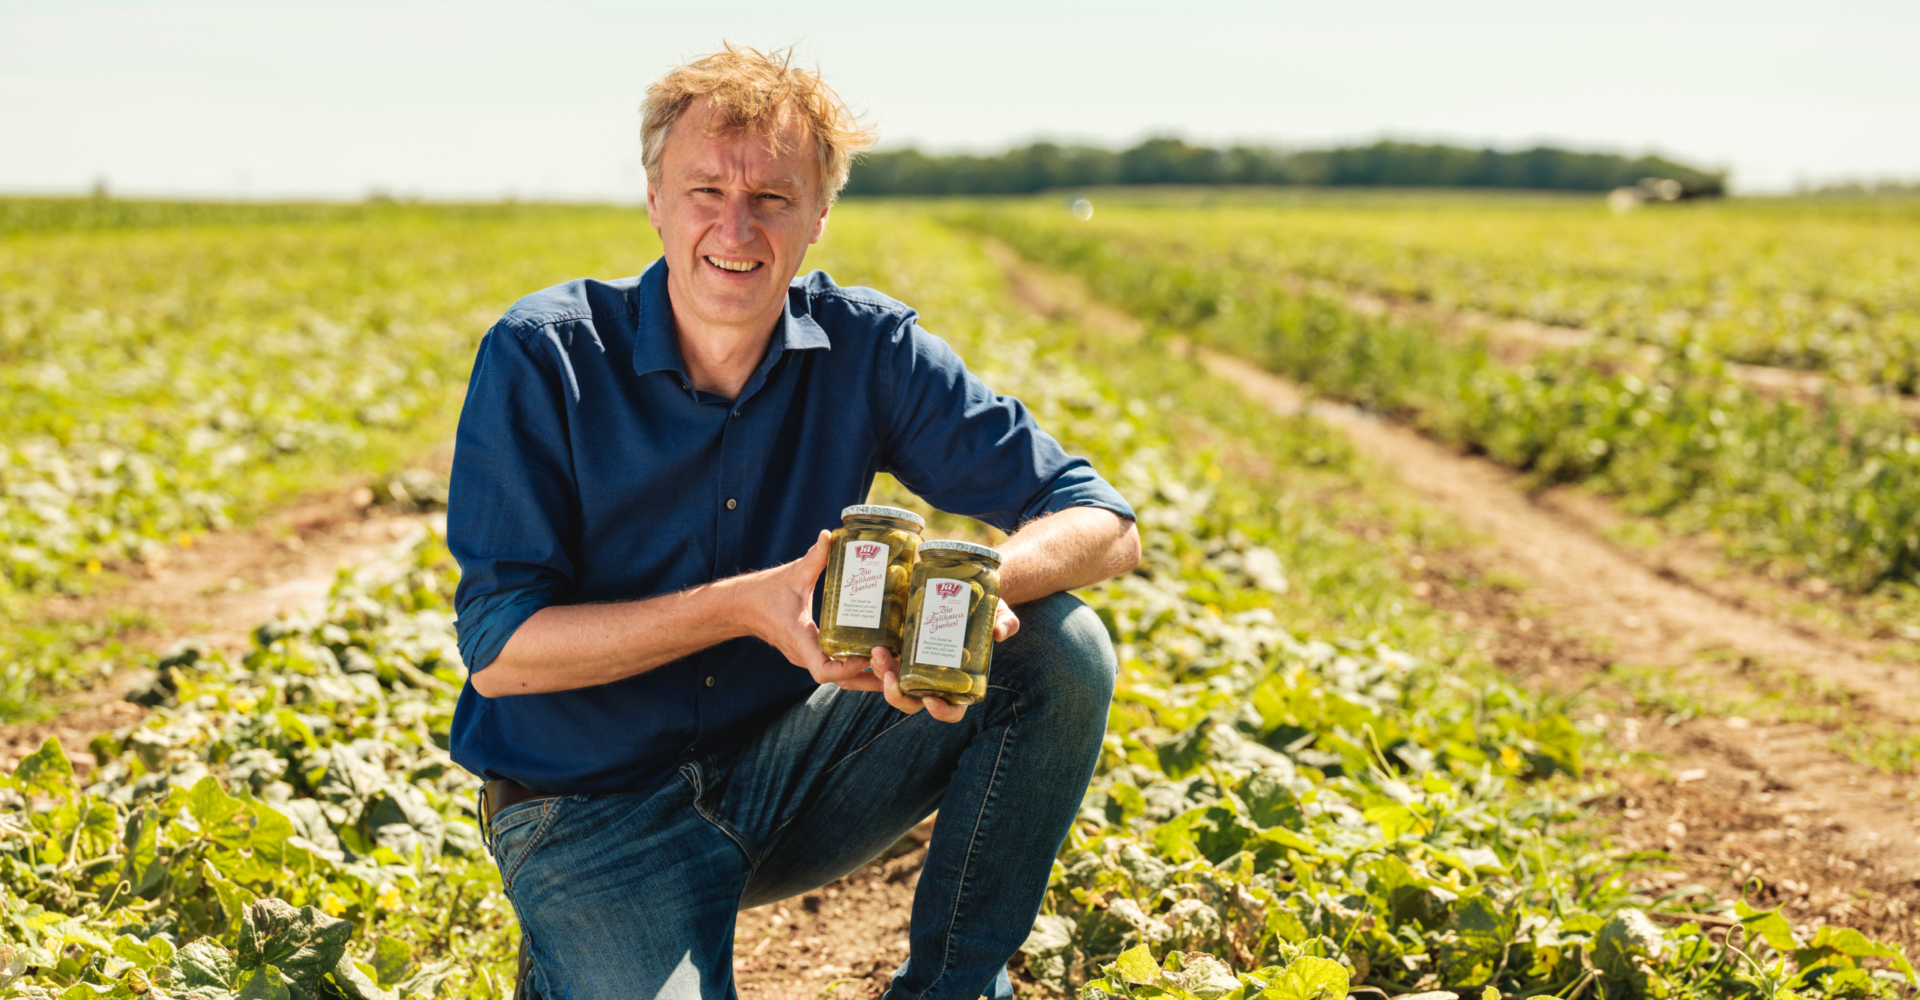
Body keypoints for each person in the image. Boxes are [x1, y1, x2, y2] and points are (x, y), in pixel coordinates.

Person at [446, 44, 1139, 1000]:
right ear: (654, 198)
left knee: (1060, 648)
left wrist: (966, 590)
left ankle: (952, 988)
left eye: (773, 197)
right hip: (587, 812)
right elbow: (501, 652)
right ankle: (582, 947)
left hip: (785, 778)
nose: (736, 226)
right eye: (704, 191)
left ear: (818, 215)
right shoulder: (544, 357)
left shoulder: (868, 348)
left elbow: (1100, 518)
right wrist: (744, 607)